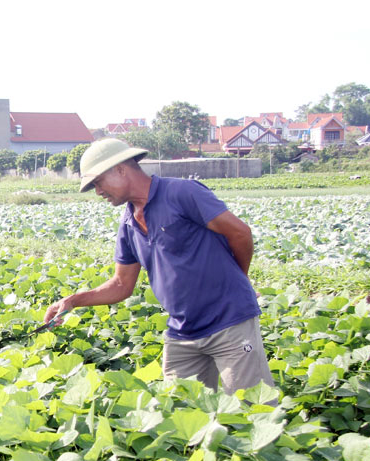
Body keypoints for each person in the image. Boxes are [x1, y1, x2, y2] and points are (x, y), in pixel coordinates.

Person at [44, 138, 274, 395]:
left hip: (230, 322)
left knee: (253, 410)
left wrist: (238, 279)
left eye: (98, 182)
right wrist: (73, 301)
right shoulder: (129, 222)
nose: (98, 192)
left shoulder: (182, 193)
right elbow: (121, 284)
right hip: (182, 332)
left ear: (120, 169)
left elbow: (240, 234)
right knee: (180, 415)